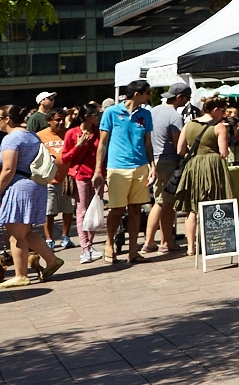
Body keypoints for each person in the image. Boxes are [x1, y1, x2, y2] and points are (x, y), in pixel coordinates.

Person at [0, 103, 64, 287]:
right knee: (25, 232)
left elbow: (8, 169)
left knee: (16, 235)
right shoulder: (31, 135)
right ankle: (52, 260)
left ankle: (20, 275)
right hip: (35, 185)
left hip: (19, 187)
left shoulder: (11, 139)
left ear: (8, 119)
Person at [93, 81, 155, 264]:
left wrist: (152, 166)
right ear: (137, 94)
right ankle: (109, 243)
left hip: (140, 166)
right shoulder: (111, 112)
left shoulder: (146, 114)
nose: (149, 96)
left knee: (136, 209)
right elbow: (102, 143)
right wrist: (98, 169)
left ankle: (133, 250)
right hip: (117, 167)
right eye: (147, 93)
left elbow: (148, 143)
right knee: (116, 209)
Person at [173, 97, 234, 256]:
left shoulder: (189, 124)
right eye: (222, 111)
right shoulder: (219, 127)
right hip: (213, 166)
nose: (223, 115)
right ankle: (214, 242)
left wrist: (194, 158)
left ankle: (190, 247)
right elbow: (224, 153)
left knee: (192, 207)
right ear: (215, 110)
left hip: (193, 165)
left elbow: (180, 149)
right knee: (214, 204)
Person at [142, 82, 189, 255]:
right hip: (169, 161)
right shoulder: (175, 116)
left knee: (159, 201)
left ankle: (149, 241)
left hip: (153, 161)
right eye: (186, 98)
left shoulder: (152, 112)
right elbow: (179, 146)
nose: (187, 101)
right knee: (167, 204)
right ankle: (165, 242)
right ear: (179, 97)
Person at [63, 103, 102, 263]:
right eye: (95, 115)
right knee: (82, 211)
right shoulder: (73, 133)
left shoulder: (98, 132)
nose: (98, 118)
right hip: (80, 175)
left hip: (97, 175)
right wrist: (78, 146)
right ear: (87, 116)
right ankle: (85, 248)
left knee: (95, 210)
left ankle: (90, 245)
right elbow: (65, 158)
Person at [38, 110, 73, 250]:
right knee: (49, 211)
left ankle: (65, 236)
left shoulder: (68, 133)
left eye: (62, 119)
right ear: (49, 121)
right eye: (57, 120)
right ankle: (49, 239)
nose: (60, 122)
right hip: (48, 180)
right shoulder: (40, 136)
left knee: (68, 209)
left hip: (66, 179)